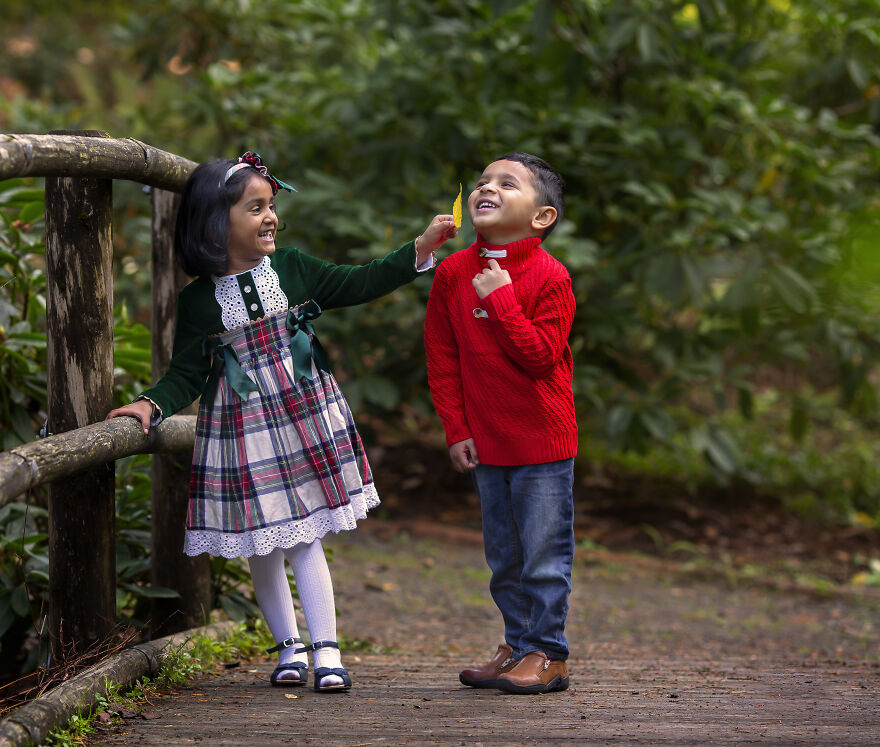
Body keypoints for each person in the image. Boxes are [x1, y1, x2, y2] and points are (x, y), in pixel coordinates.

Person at [108, 152, 455, 692]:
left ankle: (327, 650)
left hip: (301, 416)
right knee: (262, 540)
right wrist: (150, 405)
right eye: (255, 208)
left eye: (272, 207)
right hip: (241, 430)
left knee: (304, 533)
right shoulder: (198, 301)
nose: (270, 217)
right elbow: (185, 373)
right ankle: (288, 648)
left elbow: (357, 281)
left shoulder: (292, 268)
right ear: (215, 221)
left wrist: (419, 249)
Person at [424, 152, 577, 695]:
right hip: (486, 442)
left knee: (542, 556)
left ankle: (548, 653)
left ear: (541, 217)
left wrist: (504, 301)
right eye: (483, 181)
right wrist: (456, 428)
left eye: (507, 184)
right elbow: (442, 358)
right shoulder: (452, 272)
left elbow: (541, 358)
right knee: (504, 559)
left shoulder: (550, 276)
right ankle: (517, 642)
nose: (487, 188)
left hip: (541, 442)